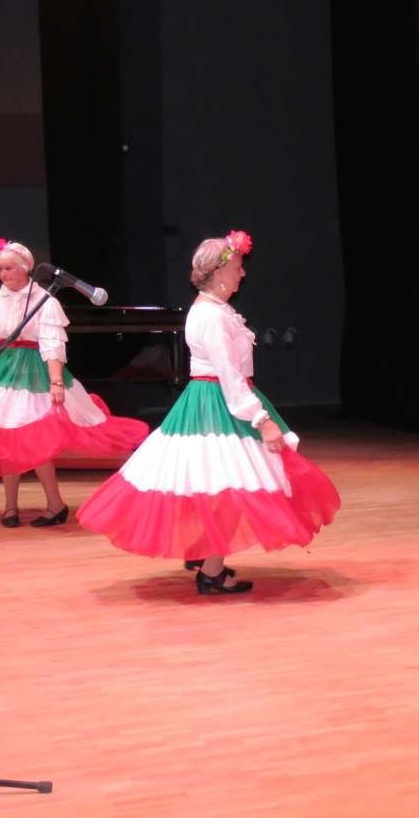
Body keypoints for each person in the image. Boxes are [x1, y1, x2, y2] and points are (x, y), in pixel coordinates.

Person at [77, 231, 340, 595]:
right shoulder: (212, 316)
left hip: (213, 399)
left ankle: (203, 553)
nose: (242, 273)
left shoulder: (213, 310)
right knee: (234, 486)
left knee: (218, 482)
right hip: (220, 401)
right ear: (218, 273)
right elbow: (230, 376)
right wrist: (262, 420)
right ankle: (211, 571)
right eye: (237, 267)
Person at [0, 239, 148, 527]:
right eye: (0, 269)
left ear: (25, 268)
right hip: (2, 373)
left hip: (35, 375)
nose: (3, 274)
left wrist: (56, 382)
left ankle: (55, 504)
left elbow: (52, 344)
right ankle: (10, 506)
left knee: (36, 439)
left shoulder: (46, 301)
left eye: (9, 268)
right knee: (5, 438)